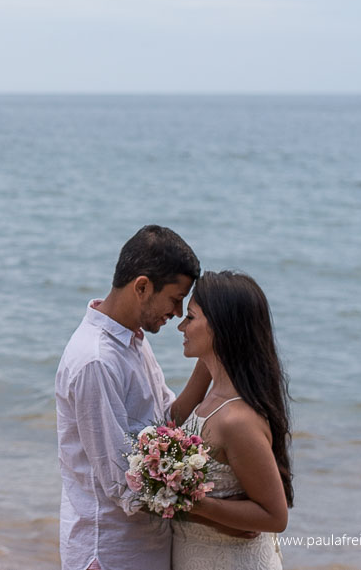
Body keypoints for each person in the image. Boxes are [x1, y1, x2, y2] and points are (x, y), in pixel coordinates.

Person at [56, 225, 211, 570]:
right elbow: (121, 482)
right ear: (142, 287)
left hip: (143, 549)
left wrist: (212, 356)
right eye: (175, 299)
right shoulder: (95, 360)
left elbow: (167, 419)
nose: (176, 313)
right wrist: (228, 512)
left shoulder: (133, 341)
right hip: (110, 553)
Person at [171, 270, 293, 570]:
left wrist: (192, 506)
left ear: (220, 327)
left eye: (190, 317)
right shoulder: (212, 391)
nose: (181, 326)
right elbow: (172, 422)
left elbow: (275, 517)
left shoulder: (238, 420)